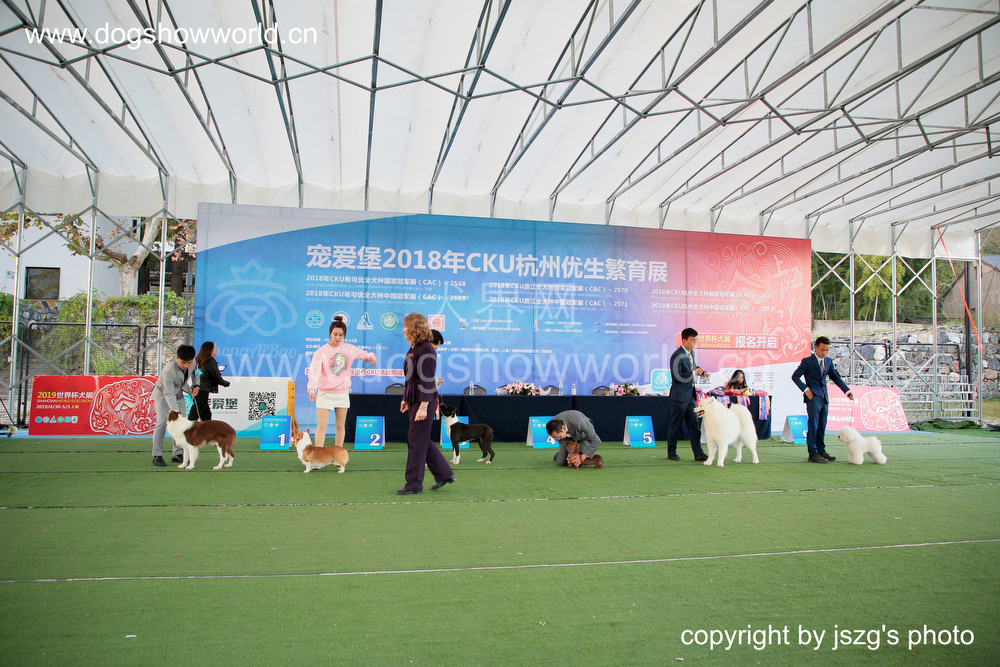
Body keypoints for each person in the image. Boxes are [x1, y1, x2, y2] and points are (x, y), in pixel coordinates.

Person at [397, 312, 454, 495]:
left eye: (406, 326)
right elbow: (411, 379)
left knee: (416, 441)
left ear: (414, 328)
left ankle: (413, 484)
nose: (403, 330)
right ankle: (444, 474)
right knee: (420, 440)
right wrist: (406, 398)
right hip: (414, 400)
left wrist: (423, 406)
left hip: (424, 402)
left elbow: (427, 380)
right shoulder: (414, 348)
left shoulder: (426, 349)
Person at [307, 315, 377, 448]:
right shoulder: (321, 352)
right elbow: (314, 372)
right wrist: (312, 389)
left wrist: (371, 357)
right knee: (321, 426)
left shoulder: (349, 349)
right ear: (330, 333)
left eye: (341, 335)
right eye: (335, 334)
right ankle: (318, 454)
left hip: (342, 393)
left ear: (344, 335)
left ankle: (337, 454)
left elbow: (364, 355)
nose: (337, 337)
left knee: (340, 426)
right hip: (324, 393)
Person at [792, 335, 855, 463]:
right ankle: (812, 453)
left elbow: (835, 377)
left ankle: (821, 450)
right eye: (822, 350)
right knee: (813, 425)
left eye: (827, 350)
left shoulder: (829, 361)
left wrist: (847, 391)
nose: (824, 353)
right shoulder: (807, 361)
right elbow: (795, 377)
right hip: (813, 397)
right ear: (815, 347)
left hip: (824, 397)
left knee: (822, 425)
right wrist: (806, 389)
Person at [151, 344, 198, 467]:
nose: (186, 365)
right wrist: (175, 412)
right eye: (183, 362)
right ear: (176, 358)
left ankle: (177, 453)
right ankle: (157, 454)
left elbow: (196, 373)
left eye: (189, 362)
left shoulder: (193, 362)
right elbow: (168, 394)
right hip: (163, 394)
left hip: (179, 393)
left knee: (182, 422)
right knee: (162, 421)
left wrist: (196, 385)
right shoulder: (168, 371)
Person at [667, 327, 709, 461]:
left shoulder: (691, 353)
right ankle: (671, 452)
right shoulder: (677, 355)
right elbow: (677, 376)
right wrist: (693, 373)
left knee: (694, 425)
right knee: (675, 425)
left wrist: (701, 371)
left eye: (696, 339)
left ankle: (698, 453)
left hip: (690, 396)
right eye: (692, 340)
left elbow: (693, 366)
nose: (694, 342)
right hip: (679, 396)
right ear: (684, 340)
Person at [188, 341, 229, 421]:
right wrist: (225, 383)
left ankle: (207, 428)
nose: (216, 350)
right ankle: (189, 427)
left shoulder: (198, 360)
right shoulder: (210, 361)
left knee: (206, 414)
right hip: (203, 390)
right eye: (214, 348)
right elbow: (216, 376)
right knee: (196, 412)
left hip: (197, 389)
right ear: (210, 350)